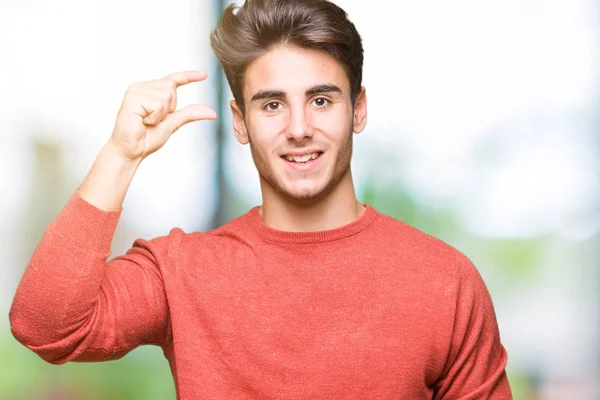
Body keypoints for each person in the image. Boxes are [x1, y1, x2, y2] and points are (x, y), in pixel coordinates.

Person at [9, 0, 512, 398]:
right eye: (272, 105)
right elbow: (45, 326)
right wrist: (121, 155)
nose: (299, 129)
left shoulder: (444, 280)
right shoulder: (183, 271)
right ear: (240, 122)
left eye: (321, 100)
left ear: (358, 109)